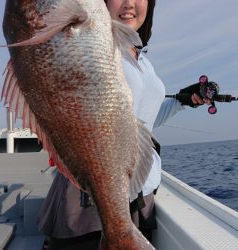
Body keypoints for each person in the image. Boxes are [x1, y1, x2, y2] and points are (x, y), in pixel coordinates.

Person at [37, 0, 210, 249]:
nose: (129, 3)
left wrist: (183, 101)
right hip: (89, 197)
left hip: (138, 198)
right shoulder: (87, 44)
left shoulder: (142, 60)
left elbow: (142, 121)